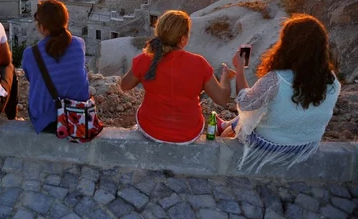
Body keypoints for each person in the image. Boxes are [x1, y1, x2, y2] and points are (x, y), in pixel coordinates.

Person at [218, 14, 341, 172]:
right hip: (307, 144)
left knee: (240, 125)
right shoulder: (332, 80)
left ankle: (224, 128)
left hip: (273, 144)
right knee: (262, 108)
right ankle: (225, 124)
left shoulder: (277, 79)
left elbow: (245, 104)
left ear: (288, 44)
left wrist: (240, 70)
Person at [120, 10, 234, 144]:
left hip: (151, 130)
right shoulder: (199, 63)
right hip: (188, 133)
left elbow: (124, 85)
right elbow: (222, 99)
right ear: (183, 39)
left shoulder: (145, 59)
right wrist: (225, 77)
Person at [22, 0, 89, 134]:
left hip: (47, 122)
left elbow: (31, 78)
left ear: (43, 27)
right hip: (79, 116)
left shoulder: (31, 53)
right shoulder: (79, 44)